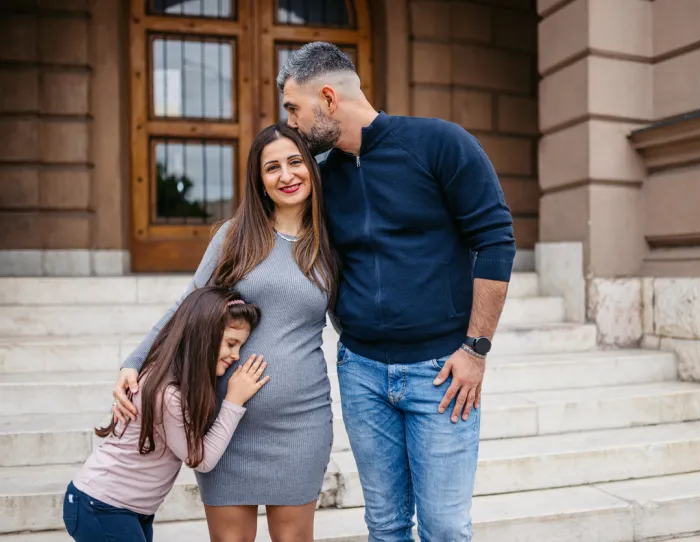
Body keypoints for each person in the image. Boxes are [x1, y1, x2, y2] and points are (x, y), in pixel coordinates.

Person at [277, 42, 516, 541]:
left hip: (442, 375)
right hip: (361, 372)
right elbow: (274, 244)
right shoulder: (322, 179)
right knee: (385, 527)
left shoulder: (440, 144)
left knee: (445, 528)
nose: (292, 125)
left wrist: (476, 350)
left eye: (294, 109)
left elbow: (495, 240)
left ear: (327, 97)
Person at [111, 123, 339, 542]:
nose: (286, 176)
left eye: (294, 162)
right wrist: (135, 361)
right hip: (224, 423)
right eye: (272, 168)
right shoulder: (234, 235)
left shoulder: (331, 240)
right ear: (260, 181)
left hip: (301, 423)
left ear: (311, 167)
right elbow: (187, 306)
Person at [63, 286, 268, 542]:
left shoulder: (171, 378)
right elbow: (200, 459)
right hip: (102, 505)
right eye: (230, 343)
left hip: (125, 509)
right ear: (203, 335)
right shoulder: (166, 393)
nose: (236, 356)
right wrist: (233, 401)